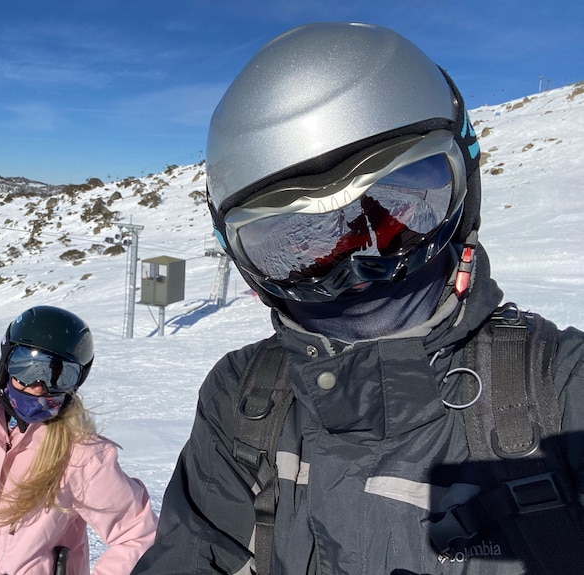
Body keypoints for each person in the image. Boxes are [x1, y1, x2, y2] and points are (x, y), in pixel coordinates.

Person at [131, 22, 584, 575]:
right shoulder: (245, 399)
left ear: (464, 194)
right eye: (297, 248)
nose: (358, 273)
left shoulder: (560, 392)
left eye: (395, 217)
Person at [0, 305, 158, 574]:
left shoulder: (81, 454)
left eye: (59, 375)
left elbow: (139, 535)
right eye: (27, 367)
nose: (38, 386)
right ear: (6, 364)